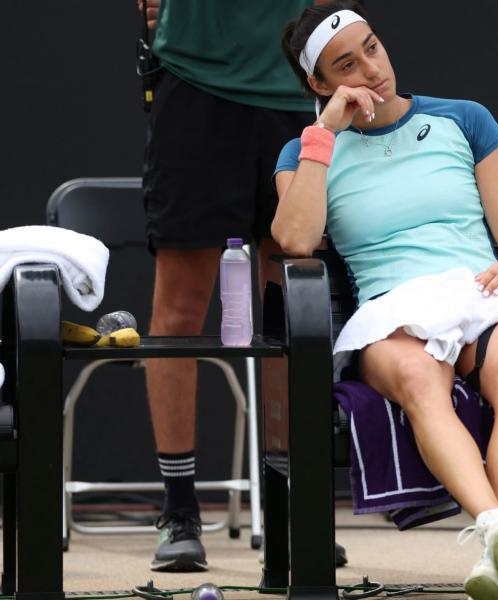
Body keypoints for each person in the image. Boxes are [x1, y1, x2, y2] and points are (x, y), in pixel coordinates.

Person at [272, 3, 498, 599]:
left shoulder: (464, 119)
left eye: (372, 46)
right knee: (418, 377)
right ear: (319, 84)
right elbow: (295, 239)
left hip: (479, 295)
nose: (371, 68)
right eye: (346, 63)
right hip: (392, 310)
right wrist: (325, 135)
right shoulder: (307, 152)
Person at [139, 0, 351, 572]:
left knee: (292, 306)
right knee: (182, 305)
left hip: (295, 95)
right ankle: (179, 507)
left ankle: (291, 502)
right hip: (195, 84)